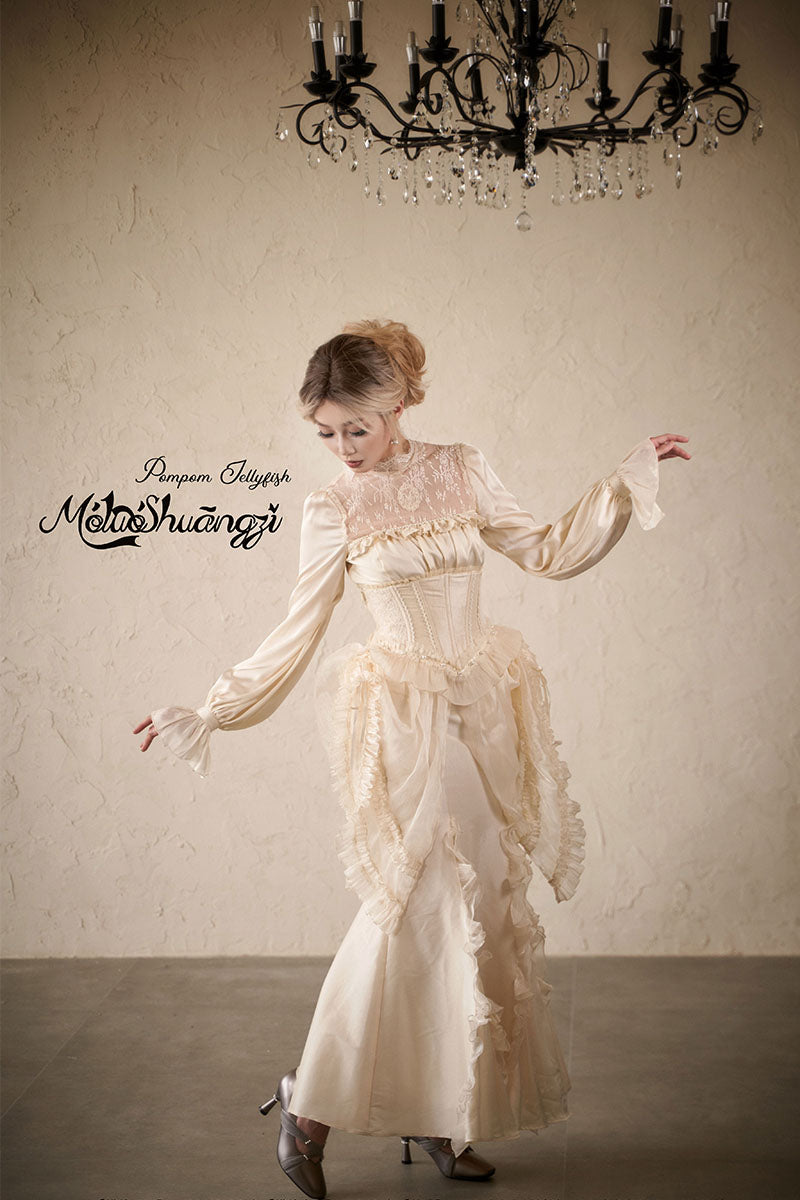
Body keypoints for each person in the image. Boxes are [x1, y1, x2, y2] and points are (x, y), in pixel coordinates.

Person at [134, 319, 690, 1200]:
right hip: (405, 725)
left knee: (477, 907)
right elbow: (298, 629)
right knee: (411, 909)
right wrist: (212, 710)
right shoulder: (333, 507)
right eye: (325, 433)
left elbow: (546, 550)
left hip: (483, 714)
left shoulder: (462, 468)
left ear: (398, 405)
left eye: (355, 428)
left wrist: (622, 484)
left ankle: (436, 1112)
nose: (342, 449)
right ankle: (309, 1105)